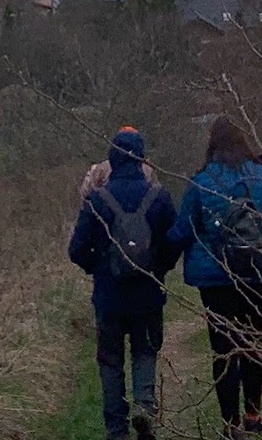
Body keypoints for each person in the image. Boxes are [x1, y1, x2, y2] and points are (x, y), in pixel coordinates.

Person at [168, 117, 262, 439]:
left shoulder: (201, 183)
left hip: (217, 278)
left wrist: (159, 250)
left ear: (212, 145)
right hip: (258, 274)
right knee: (253, 343)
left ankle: (230, 424)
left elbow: (183, 231)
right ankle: (253, 416)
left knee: (224, 349)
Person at [69, 126, 178, 440]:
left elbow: (76, 249)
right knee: (145, 353)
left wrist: (99, 267)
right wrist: (158, 269)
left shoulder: (97, 199)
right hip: (147, 295)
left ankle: (116, 430)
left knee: (111, 362)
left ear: (112, 159)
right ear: (142, 157)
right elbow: (173, 242)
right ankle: (144, 408)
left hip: (109, 297)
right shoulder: (158, 196)